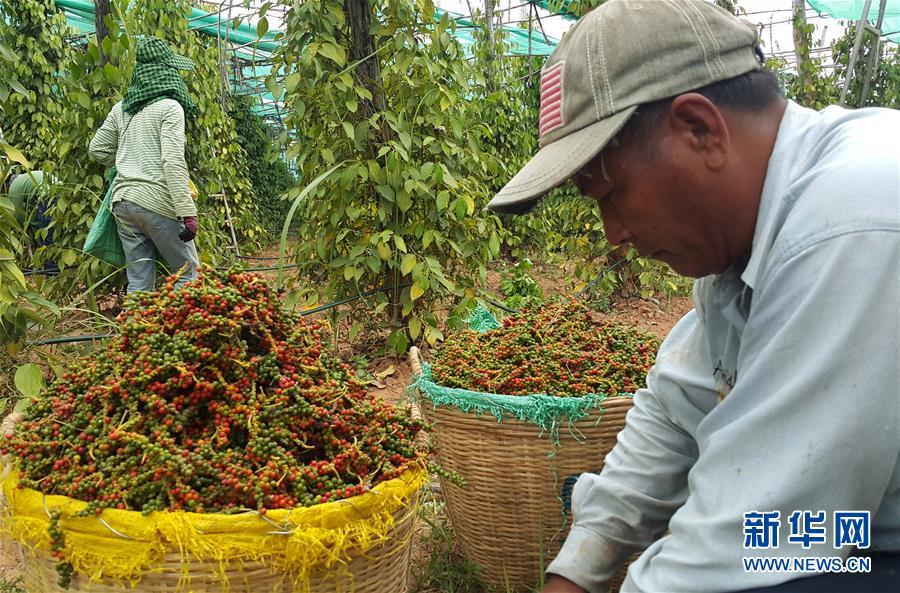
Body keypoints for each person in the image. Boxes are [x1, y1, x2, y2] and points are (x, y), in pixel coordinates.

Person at [486, 1, 899, 592]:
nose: (614, 235)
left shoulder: (853, 218)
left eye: (610, 193)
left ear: (700, 129)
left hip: (874, 539)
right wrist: (578, 570)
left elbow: (759, 528)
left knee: (775, 567)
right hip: (870, 524)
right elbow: (678, 411)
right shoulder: (745, 247)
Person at [89, 36, 200, 293]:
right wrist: (187, 212)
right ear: (165, 71)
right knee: (187, 274)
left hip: (124, 204)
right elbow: (172, 161)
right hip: (156, 203)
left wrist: (127, 161)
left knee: (139, 280)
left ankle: (135, 332)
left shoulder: (122, 109)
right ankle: (186, 332)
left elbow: (97, 149)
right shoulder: (170, 107)